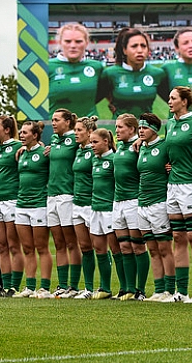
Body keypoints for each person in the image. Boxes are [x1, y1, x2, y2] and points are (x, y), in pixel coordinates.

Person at [164, 86, 192, 303]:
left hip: (191, 185)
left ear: (185, 102)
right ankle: (181, 291)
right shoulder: (170, 123)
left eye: (173, 98)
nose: (169, 101)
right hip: (172, 186)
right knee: (178, 237)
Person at [12, 120, 53, 298]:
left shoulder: (44, 152)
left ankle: (44, 287)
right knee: (27, 248)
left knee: (41, 247)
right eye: (20, 132)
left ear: (35, 135)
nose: (21, 135)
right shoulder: (21, 153)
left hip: (38, 205)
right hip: (21, 205)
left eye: (25, 132)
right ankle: (29, 286)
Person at [136, 113, 175, 301]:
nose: (141, 131)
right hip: (142, 204)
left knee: (164, 248)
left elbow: (179, 164)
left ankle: (170, 290)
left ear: (155, 130)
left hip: (159, 202)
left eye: (144, 128)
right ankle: (158, 290)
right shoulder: (141, 148)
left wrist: (171, 169)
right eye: (139, 128)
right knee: (152, 249)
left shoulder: (165, 146)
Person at [111, 114, 148, 301]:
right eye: (116, 127)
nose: (117, 130)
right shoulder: (120, 147)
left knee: (138, 246)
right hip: (118, 201)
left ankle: (140, 290)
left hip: (134, 200)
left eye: (120, 127)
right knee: (124, 246)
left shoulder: (139, 146)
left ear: (132, 129)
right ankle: (127, 288)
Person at [45, 109, 82, 297]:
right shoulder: (53, 140)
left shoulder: (76, 139)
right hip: (51, 195)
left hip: (67, 195)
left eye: (56, 120)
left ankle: (74, 286)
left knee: (71, 242)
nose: (53, 123)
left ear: (68, 122)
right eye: (52, 120)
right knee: (58, 243)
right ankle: (62, 285)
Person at [0, 115, 25, 296]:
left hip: (11, 200)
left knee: (13, 245)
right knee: (1, 245)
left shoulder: (18, 146)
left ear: (7, 130)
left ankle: (14, 286)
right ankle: (5, 285)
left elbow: (36, 148)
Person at [98, 28, 166, 118]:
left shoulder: (157, 73)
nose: (140, 50)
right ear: (124, 50)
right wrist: (112, 102)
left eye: (143, 46)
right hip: (119, 130)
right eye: (134, 46)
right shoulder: (110, 73)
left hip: (146, 128)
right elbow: (96, 95)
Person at [67, 116, 99, 299]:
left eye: (79, 130)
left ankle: (104, 287)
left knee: (100, 248)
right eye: (75, 130)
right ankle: (87, 288)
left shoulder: (95, 151)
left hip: (92, 204)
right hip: (77, 204)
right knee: (85, 247)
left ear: (89, 132)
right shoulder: (77, 150)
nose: (75, 133)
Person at [88, 127, 119, 299]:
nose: (92, 145)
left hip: (109, 209)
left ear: (106, 142)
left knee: (115, 248)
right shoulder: (94, 160)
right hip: (95, 208)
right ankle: (105, 288)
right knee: (99, 248)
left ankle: (126, 288)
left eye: (95, 142)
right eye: (91, 142)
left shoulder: (114, 159)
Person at [48, 23, 104, 117]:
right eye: (68, 41)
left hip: (89, 127)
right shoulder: (48, 67)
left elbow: (107, 93)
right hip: (58, 128)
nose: (73, 45)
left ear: (86, 43)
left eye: (78, 41)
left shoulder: (97, 67)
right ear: (60, 42)